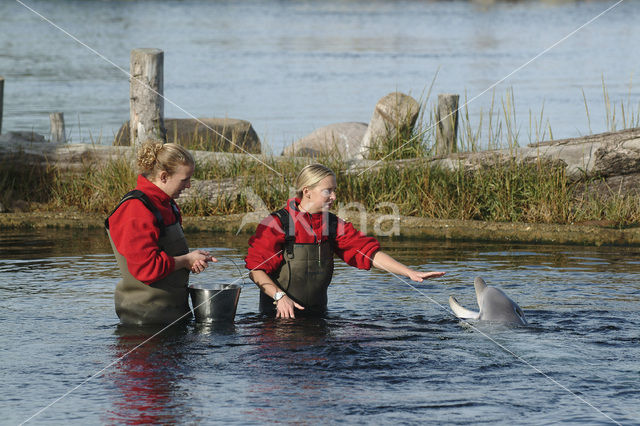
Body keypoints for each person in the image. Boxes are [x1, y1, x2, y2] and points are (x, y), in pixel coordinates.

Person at [245, 163, 445, 319]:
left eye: (334, 190)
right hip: (277, 319)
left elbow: (366, 252)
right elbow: (255, 270)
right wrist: (280, 297)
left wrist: (409, 272)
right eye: (328, 191)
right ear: (307, 191)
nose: (333, 196)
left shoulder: (332, 224)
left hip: (319, 317)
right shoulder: (276, 223)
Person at [105, 140, 216, 325]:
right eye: (184, 180)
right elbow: (147, 268)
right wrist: (186, 260)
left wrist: (190, 261)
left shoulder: (168, 204)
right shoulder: (135, 209)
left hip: (173, 313)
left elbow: (168, 257)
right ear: (163, 176)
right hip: (144, 323)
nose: (188, 186)